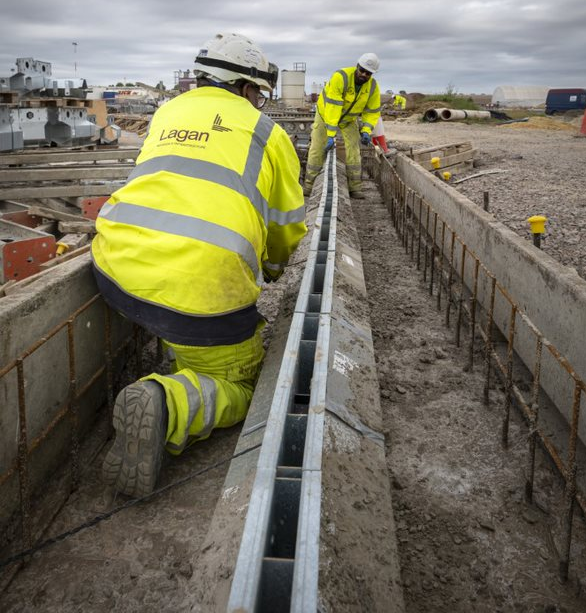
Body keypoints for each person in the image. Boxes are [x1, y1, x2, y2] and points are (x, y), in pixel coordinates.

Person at [92, 33, 307, 497]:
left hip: (113, 267)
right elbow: (286, 225)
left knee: (171, 310)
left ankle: (178, 354)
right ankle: (167, 403)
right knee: (240, 382)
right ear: (248, 88)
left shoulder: (168, 112)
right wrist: (270, 269)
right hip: (198, 291)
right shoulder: (269, 134)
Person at [303, 53, 381, 199]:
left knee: (354, 148)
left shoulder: (373, 88)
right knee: (317, 147)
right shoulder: (341, 77)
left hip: (349, 120)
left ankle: (355, 188)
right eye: (362, 70)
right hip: (325, 115)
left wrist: (366, 130)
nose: (364, 75)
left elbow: (372, 112)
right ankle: (309, 186)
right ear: (357, 66)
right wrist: (331, 135)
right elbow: (333, 107)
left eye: (368, 73)